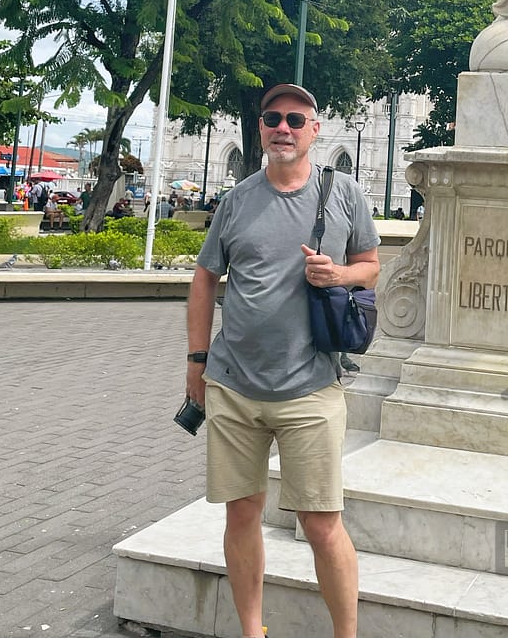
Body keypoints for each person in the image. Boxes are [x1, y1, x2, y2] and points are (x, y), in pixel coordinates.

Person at [185, 83, 380, 638]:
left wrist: (338, 274)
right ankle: (253, 631)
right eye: (273, 119)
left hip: (312, 385)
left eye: (296, 119)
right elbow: (205, 278)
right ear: (261, 128)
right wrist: (196, 361)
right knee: (241, 513)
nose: (284, 128)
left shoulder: (343, 193)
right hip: (234, 385)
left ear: (314, 130)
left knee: (321, 523)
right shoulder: (237, 200)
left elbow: (370, 265)